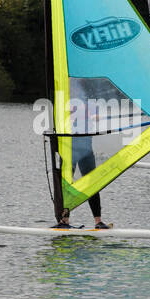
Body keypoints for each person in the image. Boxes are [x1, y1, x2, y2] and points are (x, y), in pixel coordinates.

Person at [53, 88, 112, 229]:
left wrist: (94, 117)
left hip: (86, 150)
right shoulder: (65, 103)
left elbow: (97, 117)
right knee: (65, 185)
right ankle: (64, 221)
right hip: (69, 151)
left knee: (93, 184)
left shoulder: (90, 103)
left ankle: (98, 221)